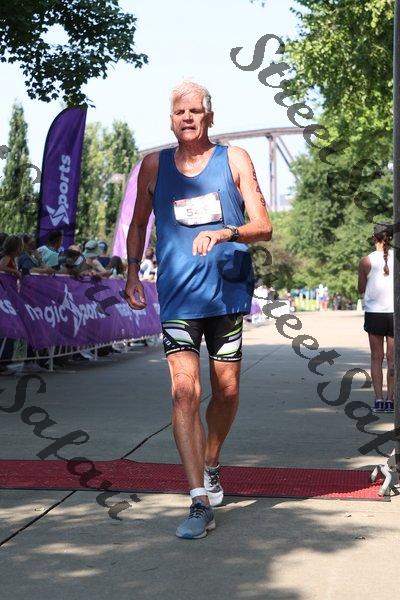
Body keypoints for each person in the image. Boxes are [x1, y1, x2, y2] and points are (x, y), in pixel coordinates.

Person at [124, 80, 272, 539]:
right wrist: (132, 272)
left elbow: (263, 225)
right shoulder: (154, 165)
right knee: (184, 393)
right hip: (178, 296)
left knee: (226, 390)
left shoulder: (235, 159)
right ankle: (197, 501)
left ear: (210, 116)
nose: (186, 118)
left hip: (226, 293)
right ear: (171, 120)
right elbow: (138, 223)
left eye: (194, 111)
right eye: (179, 112)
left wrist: (226, 233)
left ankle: (211, 461)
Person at [358, 223, 394, 413]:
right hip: (395, 314)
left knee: (376, 358)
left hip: (374, 314)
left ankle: (379, 399)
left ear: (374, 238)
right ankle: (391, 400)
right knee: (393, 359)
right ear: (391, 238)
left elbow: (361, 289)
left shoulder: (366, 261)